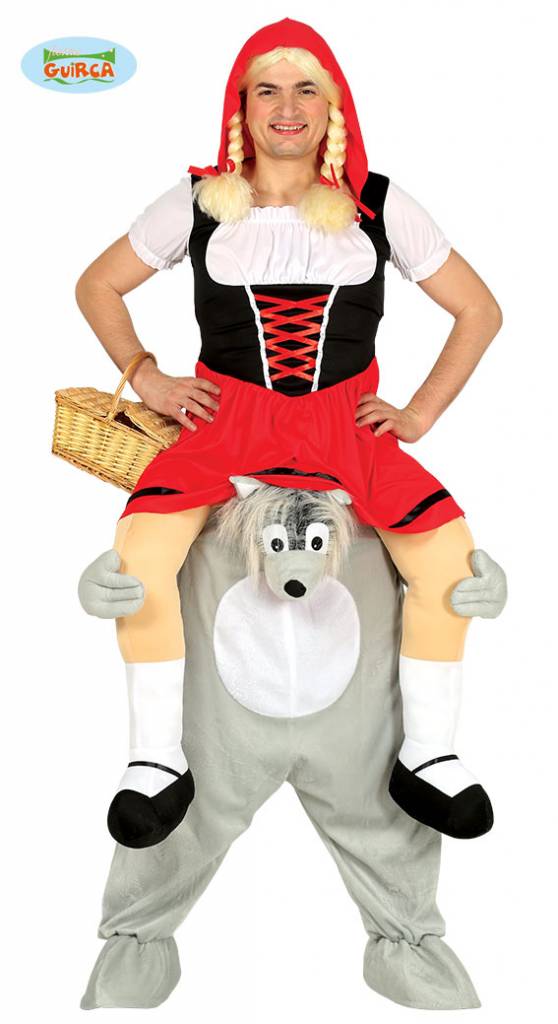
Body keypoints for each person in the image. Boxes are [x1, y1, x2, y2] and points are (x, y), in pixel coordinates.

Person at [75, 17, 503, 849]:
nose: (287, 107)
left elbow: (479, 310)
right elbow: (97, 285)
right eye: (267, 88)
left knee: (447, 557)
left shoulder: (378, 203)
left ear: (333, 106)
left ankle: (429, 753)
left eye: (307, 88)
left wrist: (418, 414)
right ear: (240, 106)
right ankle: (156, 759)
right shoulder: (198, 201)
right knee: (140, 554)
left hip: (345, 423)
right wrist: (147, 376)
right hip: (226, 421)